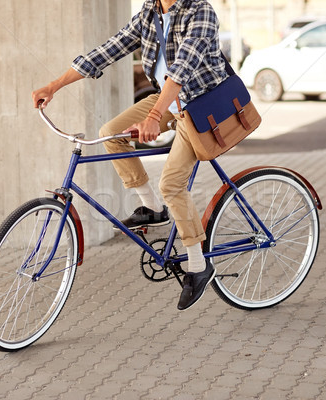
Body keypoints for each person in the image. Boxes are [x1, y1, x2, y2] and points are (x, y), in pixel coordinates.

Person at [32, 0, 229, 310]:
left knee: (173, 184)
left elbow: (181, 71)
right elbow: (106, 51)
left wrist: (154, 116)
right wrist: (54, 85)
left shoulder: (200, 11)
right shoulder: (149, 14)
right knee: (111, 134)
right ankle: (153, 209)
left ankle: (198, 264)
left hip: (202, 105)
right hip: (168, 102)